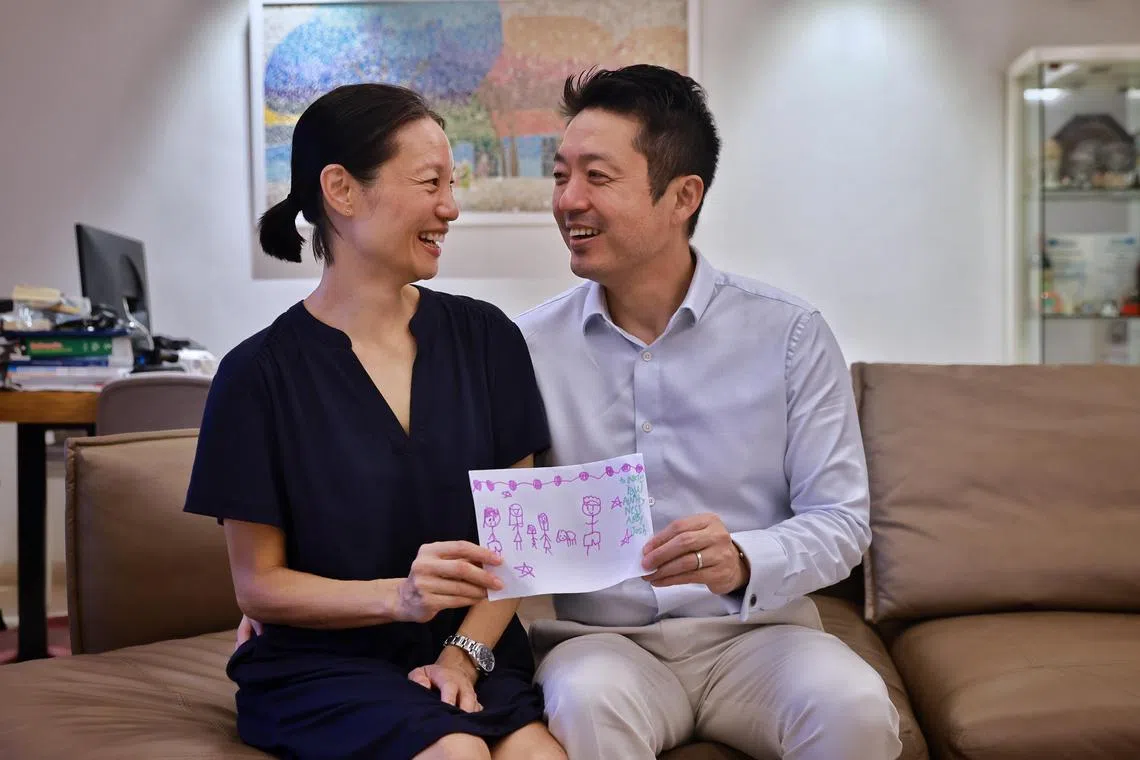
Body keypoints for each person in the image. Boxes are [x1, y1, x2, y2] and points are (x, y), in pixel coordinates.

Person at [514, 65, 903, 760]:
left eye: (597, 177)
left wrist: (744, 559)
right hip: (605, 646)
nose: (568, 200)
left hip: (762, 638)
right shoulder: (526, 348)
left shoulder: (789, 333)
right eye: (559, 174)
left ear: (682, 196)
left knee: (855, 707)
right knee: (585, 704)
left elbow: (843, 523)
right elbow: (484, 517)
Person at [184, 83, 566, 760]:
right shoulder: (257, 377)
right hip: (323, 665)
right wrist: (402, 598)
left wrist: (460, 658)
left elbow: (522, 544)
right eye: (430, 183)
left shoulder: (488, 340)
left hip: (468, 650)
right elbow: (259, 586)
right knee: (457, 754)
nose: (451, 208)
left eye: (453, 183)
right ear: (341, 189)